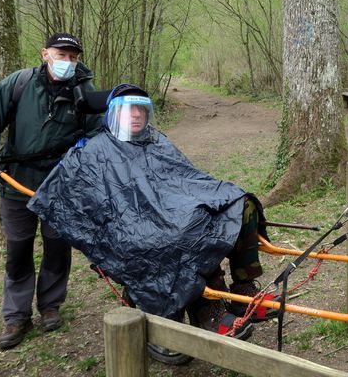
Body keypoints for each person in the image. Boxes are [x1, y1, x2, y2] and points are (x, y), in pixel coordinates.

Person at [27, 84, 276, 342]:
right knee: (184, 237)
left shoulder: (157, 141)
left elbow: (187, 179)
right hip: (131, 230)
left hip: (172, 214)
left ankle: (243, 290)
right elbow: (78, 200)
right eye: (128, 109)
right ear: (113, 114)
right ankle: (206, 310)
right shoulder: (95, 150)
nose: (135, 114)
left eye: (141, 109)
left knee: (238, 203)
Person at [0, 32, 103, 350]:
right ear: (45, 54)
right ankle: (16, 316)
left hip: (61, 185)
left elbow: (98, 130)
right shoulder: (19, 83)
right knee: (18, 251)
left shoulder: (84, 90)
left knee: (57, 248)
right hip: (16, 182)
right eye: (61, 55)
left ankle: (50, 306)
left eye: (73, 57)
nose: (67, 62)